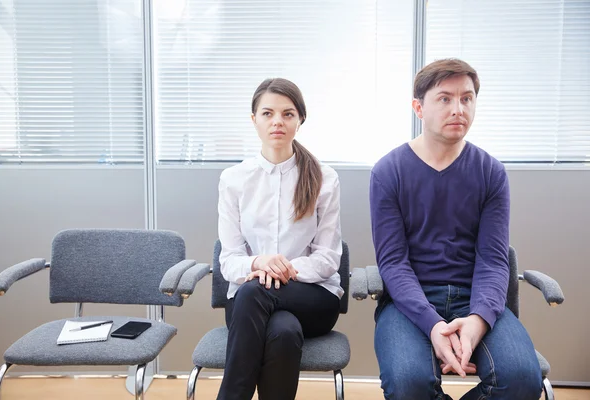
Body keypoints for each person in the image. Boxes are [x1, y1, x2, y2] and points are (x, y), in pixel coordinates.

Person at [370, 58, 542, 399]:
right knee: (409, 384)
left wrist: (478, 321)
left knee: (523, 379)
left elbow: (493, 260)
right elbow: (393, 263)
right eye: (445, 98)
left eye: (467, 98)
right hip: (408, 303)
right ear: (419, 107)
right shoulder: (388, 172)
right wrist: (433, 325)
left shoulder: (491, 172)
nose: (458, 109)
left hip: (476, 299)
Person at [216, 78, 343, 400]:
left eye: (288, 114)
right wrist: (259, 262)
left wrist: (280, 269)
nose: (277, 122)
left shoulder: (324, 178)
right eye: (268, 113)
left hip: (313, 297)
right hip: (250, 301)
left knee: (254, 293)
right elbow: (229, 259)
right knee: (283, 331)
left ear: (300, 120)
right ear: (254, 119)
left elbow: (328, 258)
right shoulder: (233, 180)